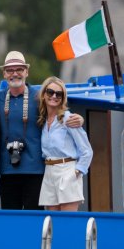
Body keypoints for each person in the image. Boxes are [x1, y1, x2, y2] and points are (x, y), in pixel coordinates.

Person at [0, 51, 83, 210]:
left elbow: (58, 106)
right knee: (11, 220)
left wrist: (78, 118)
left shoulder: (39, 96)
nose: (15, 73)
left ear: (26, 72)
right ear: (4, 74)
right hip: (7, 170)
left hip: (35, 170)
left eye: (19, 69)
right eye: (10, 70)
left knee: (35, 220)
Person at [37, 76, 92, 211]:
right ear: (44, 94)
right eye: (50, 92)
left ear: (63, 97)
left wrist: (76, 172)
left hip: (67, 170)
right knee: (52, 222)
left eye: (59, 94)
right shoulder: (42, 120)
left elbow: (87, 151)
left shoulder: (68, 118)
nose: (54, 96)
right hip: (49, 172)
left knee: (68, 222)